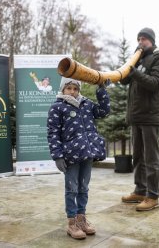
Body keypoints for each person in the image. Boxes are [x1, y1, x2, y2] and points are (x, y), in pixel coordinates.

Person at [47, 77, 110, 240]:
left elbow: (103, 111)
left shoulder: (87, 104)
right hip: (70, 155)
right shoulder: (57, 107)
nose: (73, 92)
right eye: (69, 88)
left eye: (75, 88)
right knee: (72, 188)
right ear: (63, 89)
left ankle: (82, 219)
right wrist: (57, 156)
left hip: (87, 153)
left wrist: (101, 90)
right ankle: (72, 222)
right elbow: (53, 133)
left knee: (83, 186)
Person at [120, 27, 159, 211]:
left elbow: (156, 83)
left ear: (152, 40)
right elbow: (124, 80)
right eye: (139, 38)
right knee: (138, 157)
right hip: (136, 116)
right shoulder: (138, 59)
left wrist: (135, 72)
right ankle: (140, 190)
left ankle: (153, 196)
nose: (141, 41)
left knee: (151, 158)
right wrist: (129, 66)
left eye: (144, 39)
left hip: (150, 116)